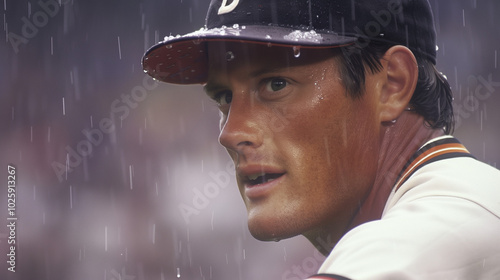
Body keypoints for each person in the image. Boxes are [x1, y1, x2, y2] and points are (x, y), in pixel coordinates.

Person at [142, 0, 500, 279]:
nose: (231, 133)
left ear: (391, 85)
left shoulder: (461, 215)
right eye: (224, 97)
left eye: (275, 84)